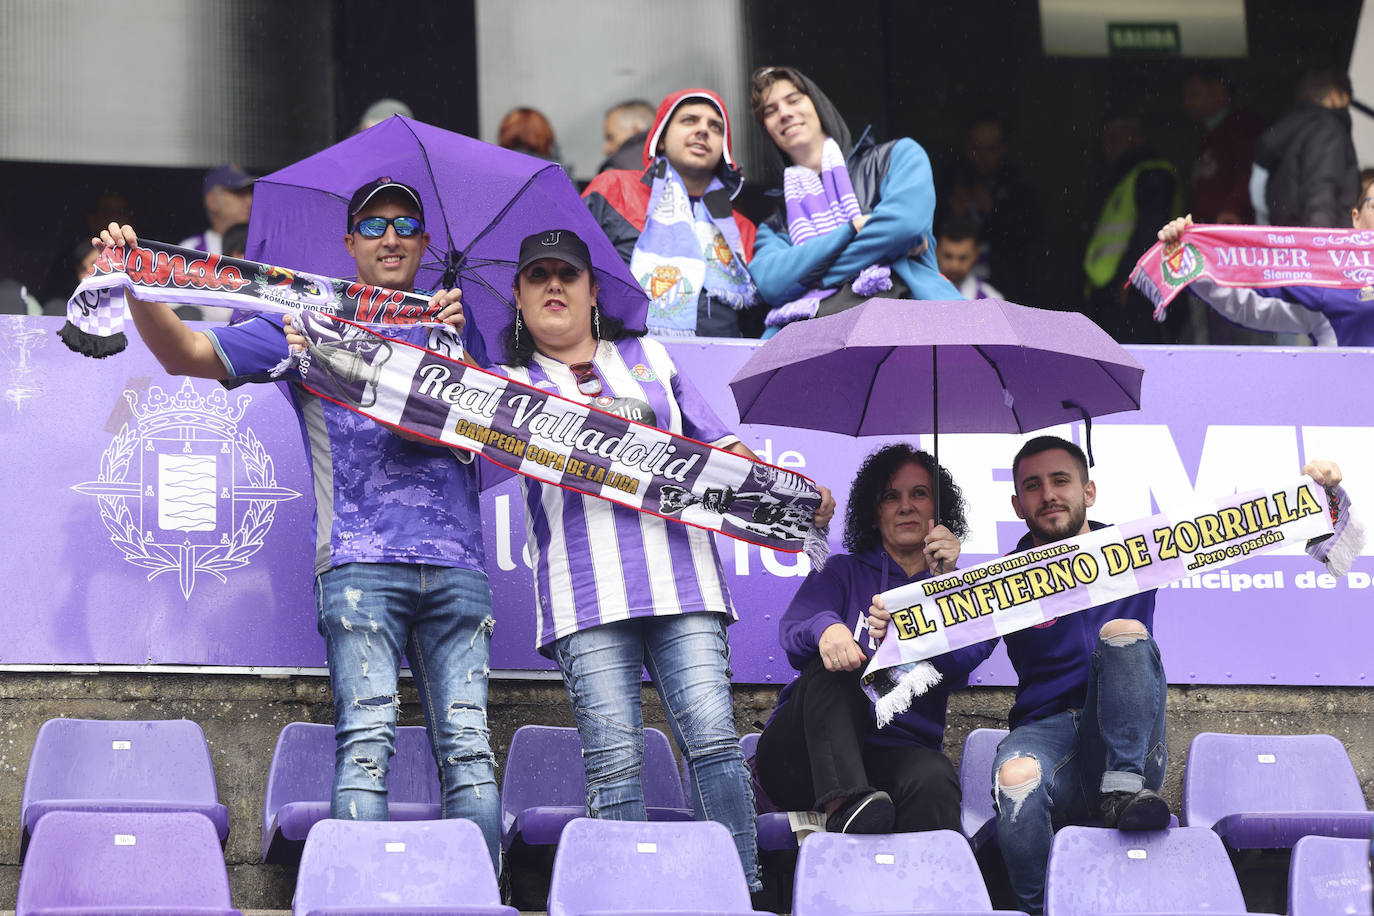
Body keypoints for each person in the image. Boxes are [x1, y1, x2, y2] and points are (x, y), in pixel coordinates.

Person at [91, 177, 502, 868]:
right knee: (367, 743)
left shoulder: (454, 322)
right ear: (349, 244)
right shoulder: (307, 320)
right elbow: (184, 354)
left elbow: (494, 432)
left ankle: (476, 902)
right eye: (372, 226)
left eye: (405, 224)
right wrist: (138, 284)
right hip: (359, 566)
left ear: (426, 243)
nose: (390, 237)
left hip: (458, 568)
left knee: (469, 751)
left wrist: (459, 348)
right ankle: (358, 899)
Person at [494, 228, 834, 893]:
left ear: (594, 291)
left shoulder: (648, 355)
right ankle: (627, 898)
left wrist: (795, 499)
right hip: (583, 594)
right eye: (538, 276)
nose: (554, 285)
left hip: (683, 579)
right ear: (518, 296)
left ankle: (739, 891)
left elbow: (726, 453)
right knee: (615, 761)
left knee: (712, 744)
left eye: (568, 273)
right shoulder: (506, 385)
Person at [755, 444, 989, 835]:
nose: (905, 506)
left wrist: (944, 585)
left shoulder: (955, 587)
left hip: (896, 751)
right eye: (890, 496)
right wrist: (828, 629)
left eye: (919, 493)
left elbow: (969, 653)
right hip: (803, 756)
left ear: (939, 508)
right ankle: (844, 806)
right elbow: (793, 631)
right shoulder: (840, 571)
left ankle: (924, 894)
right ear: (873, 510)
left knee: (935, 780)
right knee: (843, 658)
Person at [746, 66, 958, 334]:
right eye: (770, 110)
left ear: (818, 103)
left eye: (794, 99)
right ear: (767, 130)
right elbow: (769, 282)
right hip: (814, 344)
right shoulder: (775, 225)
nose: (784, 114)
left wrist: (814, 276)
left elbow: (905, 225)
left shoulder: (897, 157)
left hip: (910, 326)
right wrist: (852, 230)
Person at [583, 89, 761, 338]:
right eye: (689, 120)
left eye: (715, 127)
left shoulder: (741, 229)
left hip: (720, 369)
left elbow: (754, 321)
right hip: (621, 363)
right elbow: (570, 276)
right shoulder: (613, 189)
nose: (703, 130)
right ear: (661, 138)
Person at [1155, 171, 1374, 346]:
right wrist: (1189, 258)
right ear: (1356, 218)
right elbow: (1250, 308)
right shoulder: (1328, 280)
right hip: (1347, 400)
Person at [1082, 114, 1184, 344]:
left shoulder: (1153, 174)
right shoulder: (1121, 179)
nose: (1108, 148)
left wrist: (1130, 279)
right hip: (1109, 290)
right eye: (1106, 141)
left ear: (1138, 139)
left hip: (1133, 290)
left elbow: (1152, 231)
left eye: (1116, 139)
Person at [941, 116, 1044, 303]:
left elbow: (1030, 237)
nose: (983, 156)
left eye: (990, 149)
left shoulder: (1017, 187)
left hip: (1005, 289)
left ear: (1003, 149)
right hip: (952, 290)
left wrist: (993, 211)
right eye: (976, 148)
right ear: (967, 148)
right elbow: (927, 237)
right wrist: (954, 212)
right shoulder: (950, 182)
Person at [1252, 69, 1360, 228]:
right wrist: (1320, 247)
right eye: (1346, 100)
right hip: (1319, 246)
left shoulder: (1295, 133)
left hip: (1290, 242)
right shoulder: (1328, 130)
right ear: (1335, 96)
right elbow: (1321, 194)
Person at [1181, 70, 1265, 225]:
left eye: (1194, 94)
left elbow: (1248, 172)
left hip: (1231, 228)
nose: (1187, 103)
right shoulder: (1211, 134)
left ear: (1218, 92)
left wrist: (1233, 208)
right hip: (1208, 226)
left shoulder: (1242, 127)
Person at [179, 164, 254, 322]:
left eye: (250, 193)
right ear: (212, 201)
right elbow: (179, 314)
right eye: (238, 193)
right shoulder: (191, 250)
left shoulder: (267, 245)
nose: (249, 200)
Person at [937, 215, 1003, 300]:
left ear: (976, 254)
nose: (955, 266)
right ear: (936, 251)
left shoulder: (992, 299)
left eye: (963, 258)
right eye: (948, 256)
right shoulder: (917, 293)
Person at [599, 99, 654, 173]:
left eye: (611, 137)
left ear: (636, 130)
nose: (606, 149)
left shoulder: (615, 169)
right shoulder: (671, 153)